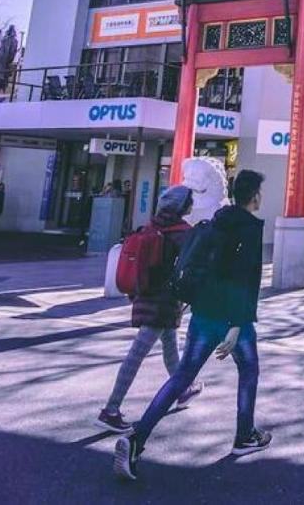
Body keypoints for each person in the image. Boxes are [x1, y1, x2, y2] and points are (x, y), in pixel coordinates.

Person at [114, 169, 270, 481]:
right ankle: (244, 435)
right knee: (249, 370)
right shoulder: (249, 228)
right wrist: (238, 324)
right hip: (231, 317)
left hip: (203, 311)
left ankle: (137, 438)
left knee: (183, 375)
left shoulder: (217, 221)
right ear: (254, 196)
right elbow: (245, 279)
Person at [97, 185, 202, 433]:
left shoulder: (150, 227)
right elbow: (192, 266)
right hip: (164, 301)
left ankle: (183, 388)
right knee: (137, 354)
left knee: (169, 345)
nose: (191, 204)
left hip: (144, 295)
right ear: (182, 206)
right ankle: (110, 409)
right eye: (189, 201)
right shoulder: (182, 233)